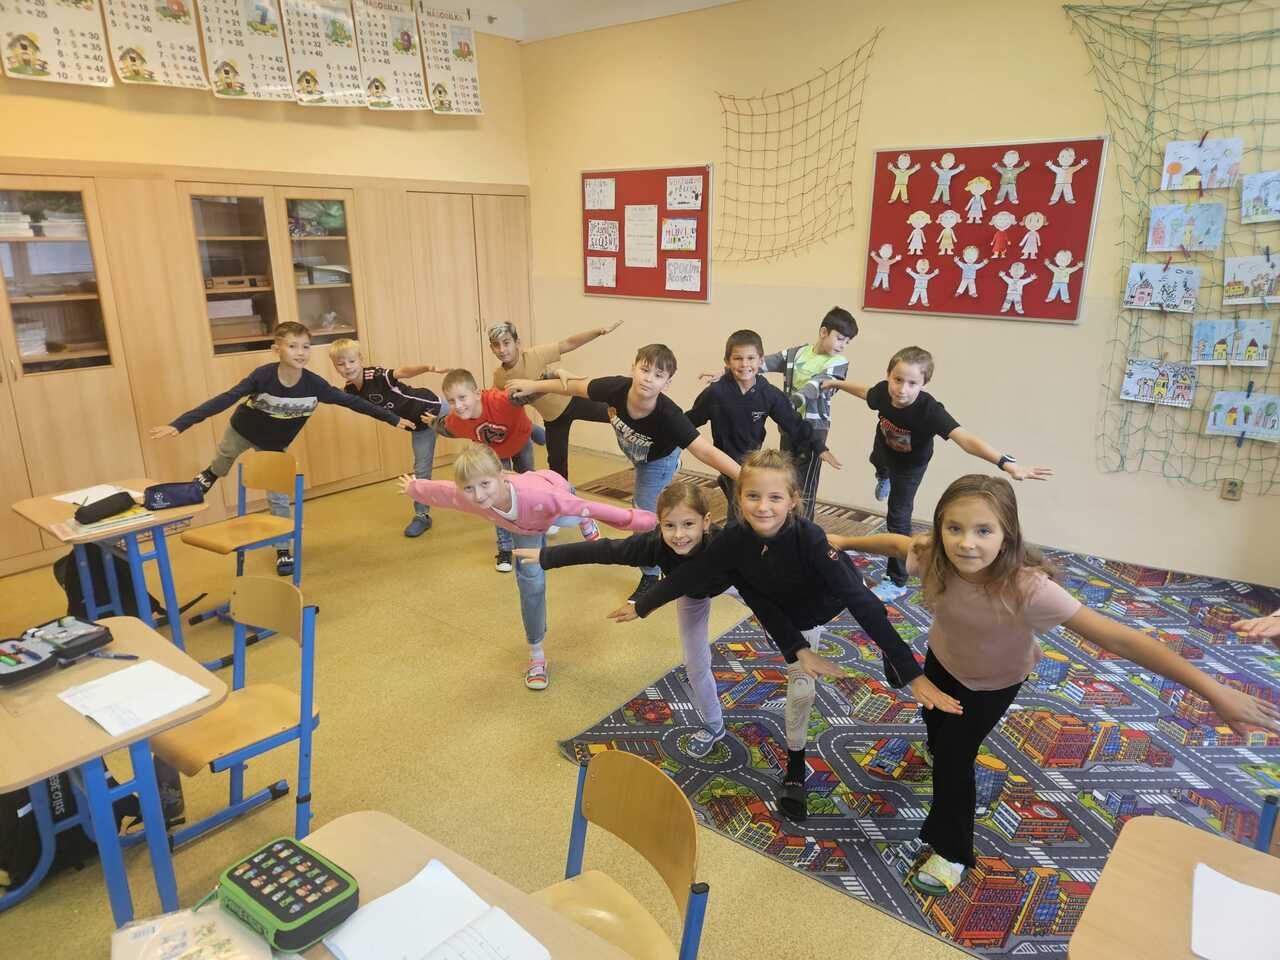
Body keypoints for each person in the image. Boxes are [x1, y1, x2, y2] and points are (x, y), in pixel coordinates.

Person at [829, 474, 1280, 895]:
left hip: (993, 683)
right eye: (955, 528)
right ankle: (940, 747)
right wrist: (845, 540)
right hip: (942, 662)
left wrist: (1213, 690)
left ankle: (952, 852)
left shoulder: (1029, 589)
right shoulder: (935, 556)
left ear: (1008, 534)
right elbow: (898, 542)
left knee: (953, 758)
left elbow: (1119, 638)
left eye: (984, 531)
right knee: (936, 729)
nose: (967, 543)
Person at [618, 449, 962, 822]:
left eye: (775, 497)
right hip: (791, 616)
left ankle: (806, 756)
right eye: (753, 496)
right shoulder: (733, 539)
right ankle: (796, 767)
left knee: (865, 613)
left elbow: (858, 601)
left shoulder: (810, 538)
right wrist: (644, 604)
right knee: (802, 684)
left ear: (793, 500)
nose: (763, 507)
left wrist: (910, 671)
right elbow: (691, 575)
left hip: (827, 601)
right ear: (739, 498)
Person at [150, 322, 413, 576]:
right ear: (277, 350)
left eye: (306, 346)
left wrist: (392, 418)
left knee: (278, 498)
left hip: (274, 445)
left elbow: (354, 403)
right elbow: (225, 399)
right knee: (224, 456)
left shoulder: (314, 385)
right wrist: (180, 424)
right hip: (243, 430)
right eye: (292, 346)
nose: (300, 352)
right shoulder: (263, 376)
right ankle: (208, 476)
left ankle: (283, 549)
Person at [400, 443, 656, 690]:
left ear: (501, 475)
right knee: (530, 583)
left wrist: (647, 522)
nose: (478, 495)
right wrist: (414, 487)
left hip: (552, 494)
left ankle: (583, 523)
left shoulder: (542, 496)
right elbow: (444, 492)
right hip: (525, 527)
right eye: (469, 488)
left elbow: (597, 508)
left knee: (572, 516)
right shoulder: (471, 497)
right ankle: (536, 656)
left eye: (485, 484)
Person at [513, 481, 742, 757]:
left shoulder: (723, 546)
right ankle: (714, 725)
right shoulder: (654, 545)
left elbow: (685, 577)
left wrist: (643, 605)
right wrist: (547, 555)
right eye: (669, 525)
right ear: (659, 524)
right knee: (695, 665)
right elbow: (605, 550)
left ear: (705, 522)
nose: (679, 535)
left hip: (734, 581)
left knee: (778, 616)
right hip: (692, 595)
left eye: (688, 524)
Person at [505, 343, 741, 605]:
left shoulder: (669, 415)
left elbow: (705, 451)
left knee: (642, 517)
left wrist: (745, 476)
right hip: (637, 454)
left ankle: (651, 575)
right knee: (644, 506)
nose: (648, 379)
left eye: (658, 375)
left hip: (657, 461)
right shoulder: (615, 388)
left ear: (667, 384)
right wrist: (533, 385)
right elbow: (573, 387)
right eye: (645, 370)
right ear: (633, 368)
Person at [826, 346, 1052, 599]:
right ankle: (883, 476)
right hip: (885, 450)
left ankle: (897, 581)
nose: (902, 389)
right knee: (877, 460)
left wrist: (1006, 464)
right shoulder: (882, 392)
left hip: (911, 466)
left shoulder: (929, 411)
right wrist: (836, 383)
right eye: (897, 380)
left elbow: (965, 440)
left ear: (924, 384)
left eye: (912, 383)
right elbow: (864, 392)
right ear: (888, 375)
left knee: (897, 517)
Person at [429, 368, 584, 571]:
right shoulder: (455, 421)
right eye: (451, 401)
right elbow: (442, 427)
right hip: (493, 455)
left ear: (477, 394)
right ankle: (505, 549)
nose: (457, 405)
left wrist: (552, 376)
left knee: (530, 490)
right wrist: (430, 421)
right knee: (496, 498)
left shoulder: (500, 400)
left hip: (520, 441)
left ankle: (539, 532)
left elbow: (532, 391)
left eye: (462, 397)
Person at [686, 329, 840, 515]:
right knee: (741, 512)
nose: (745, 364)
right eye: (738, 358)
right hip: (725, 460)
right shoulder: (715, 393)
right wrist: (668, 435)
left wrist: (819, 446)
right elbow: (690, 421)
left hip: (751, 461)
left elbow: (793, 422)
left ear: (760, 360)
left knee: (747, 505)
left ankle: (730, 490)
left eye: (751, 358)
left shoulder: (769, 394)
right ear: (727, 361)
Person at [329, 338, 448, 538]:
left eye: (352, 361)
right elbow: (332, 395)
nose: (347, 367)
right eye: (340, 364)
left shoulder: (375, 375)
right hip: (419, 426)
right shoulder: (350, 390)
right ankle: (422, 516)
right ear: (335, 366)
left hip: (435, 408)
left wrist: (428, 367)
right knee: (421, 470)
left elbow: (402, 372)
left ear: (360, 359)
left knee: (477, 426)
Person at [487, 320, 623, 480]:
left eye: (506, 343)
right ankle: (562, 494)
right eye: (496, 345)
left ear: (517, 342)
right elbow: (494, 403)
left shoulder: (534, 355)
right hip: (553, 419)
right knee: (557, 466)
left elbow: (568, 343)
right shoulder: (500, 376)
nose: (502, 349)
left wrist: (598, 331)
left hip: (573, 401)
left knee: (619, 414)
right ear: (491, 348)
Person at [758, 307, 857, 521]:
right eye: (840, 339)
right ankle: (785, 523)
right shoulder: (796, 354)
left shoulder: (838, 363)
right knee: (786, 478)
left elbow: (816, 386)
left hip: (814, 430)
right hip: (789, 426)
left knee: (805, 485)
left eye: (847, 342)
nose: (842, 345)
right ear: (823, 332)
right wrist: (730, 370)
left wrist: (790, 404)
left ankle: (804, 527)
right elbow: (762, 362)